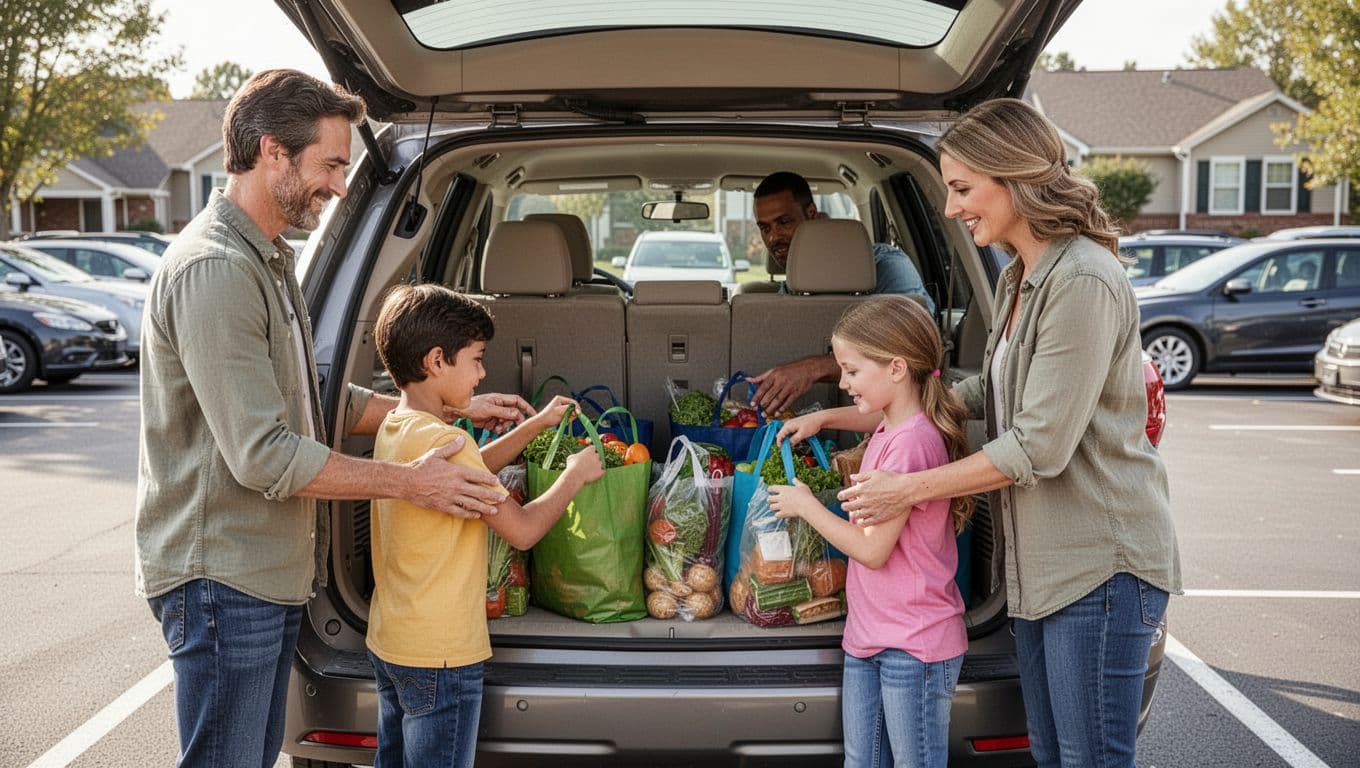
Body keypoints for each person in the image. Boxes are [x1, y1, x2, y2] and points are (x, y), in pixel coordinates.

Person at [135, 70, 533, 768]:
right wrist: (409, 482)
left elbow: (311, 402)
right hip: (223, 580)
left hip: (259, 575)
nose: (342, 186)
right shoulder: (217, 270)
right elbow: (264, 453)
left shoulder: (266, 260)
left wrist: (453, 404)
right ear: (273, 151)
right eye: (330, 165)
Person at [803, 98, 1181, 768]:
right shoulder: (1018, 277)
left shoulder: (1083, 280)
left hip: (1098, 568)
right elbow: (991, 389)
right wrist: (877, 408)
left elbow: (1038, 445)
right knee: (1052, 752)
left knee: (1087, 757)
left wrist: (904, 489)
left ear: (1014, 178)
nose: (951, 209)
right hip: (1041, 570)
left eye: (961, 189)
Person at [366, 283, 603, 767]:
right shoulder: (446, 441)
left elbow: (471, 469)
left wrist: (535, 425)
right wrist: (574, 477)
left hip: (392, 641)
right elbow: (522, 530)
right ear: (436, 361)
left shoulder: (400, 426)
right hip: (442, 655)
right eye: (476, 359)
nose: (482, 374)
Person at [769, 295, 972, 768]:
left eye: (852, 371)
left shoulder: (911, 445)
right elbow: (873, 416)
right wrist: (822, 418)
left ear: (897, 368)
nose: (842, 383)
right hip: (870, 637)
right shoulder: (892, 427)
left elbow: (873, 550)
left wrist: (806, 507)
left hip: (914, 646)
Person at [748, 171, 935, 416]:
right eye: (765, 228)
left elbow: (917, 347)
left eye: (784, 222)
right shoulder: (793, 289)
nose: (773, 237)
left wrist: (814, 367)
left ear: (811, 214)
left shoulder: (887, 268)